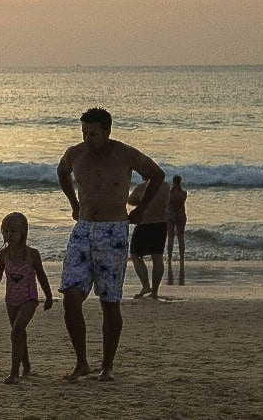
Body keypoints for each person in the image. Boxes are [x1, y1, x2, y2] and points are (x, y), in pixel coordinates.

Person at [57, 107, 164, 382]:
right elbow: (62, 172)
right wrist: (73, 203)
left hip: (113, 231)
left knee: (109, 302)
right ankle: (81, 362)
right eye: (83, 133)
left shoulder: (125, 154)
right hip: (82, 230)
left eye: (92, 133)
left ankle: (107, 366)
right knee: (70, 297)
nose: (87, 138)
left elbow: (157, 175)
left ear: (107, 131)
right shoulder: (76, 154)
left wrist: (141, 210)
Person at [0, 212, 54, 384]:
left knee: (16, 332)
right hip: (11, 300)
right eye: (5, 231)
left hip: (29, 299)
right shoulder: (3, 254)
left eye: (13, 231)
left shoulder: (32, 254)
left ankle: (14, 373)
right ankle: (27, 365)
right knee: (19, 334)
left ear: (23, 232)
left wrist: (49, 296)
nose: (9, 235)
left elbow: (42, 277)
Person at [128, 176, 170, 299]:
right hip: (161, 224)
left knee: (135, 255)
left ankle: (146, 285)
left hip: (145, 224)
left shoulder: (142, 186)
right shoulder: (166, 186)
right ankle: (155, 291)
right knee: (157, 257)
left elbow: (131, 200)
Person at [166, 175, 188, 285]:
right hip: (181, 214)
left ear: (173, 181)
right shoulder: (183, 193)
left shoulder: (169, 193)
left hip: (170, 214)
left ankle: (169, 259)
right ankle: (182, 258)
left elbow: (168, 202)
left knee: (170, 237)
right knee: (181, 236)